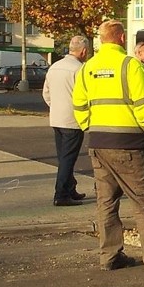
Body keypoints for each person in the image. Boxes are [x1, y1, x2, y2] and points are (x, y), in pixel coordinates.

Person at [73, 20, 144, 272]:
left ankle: (110, 256)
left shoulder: (88, 68)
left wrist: (90, 127)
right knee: (143, 201)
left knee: (106, 203)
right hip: (128, 145)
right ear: (120, 38)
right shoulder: (130, 65)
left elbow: (79, 106)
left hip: (98, 143)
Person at [42, 35, 89, 207]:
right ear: (83, 51)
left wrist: (55, 106)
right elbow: (86, 96)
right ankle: (61, 194)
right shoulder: (81, 69)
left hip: (56, 119)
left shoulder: (54, 67)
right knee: (68, 159)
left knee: (64, 157)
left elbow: (46, 93)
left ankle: (70, 188)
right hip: (73, 120)